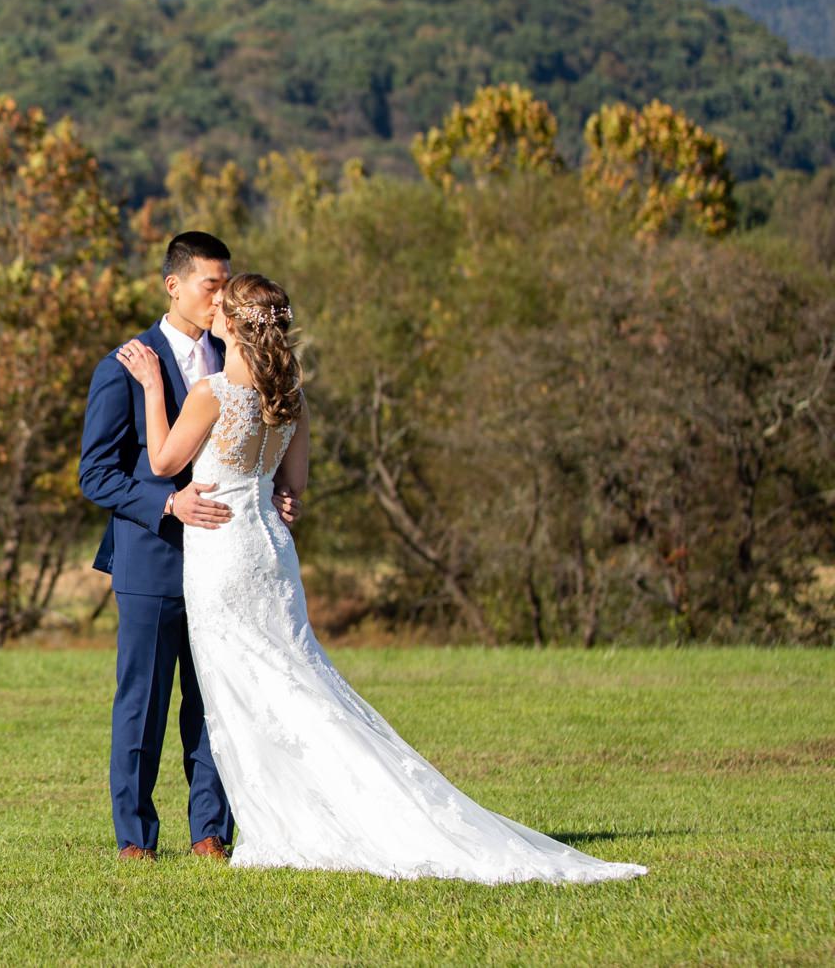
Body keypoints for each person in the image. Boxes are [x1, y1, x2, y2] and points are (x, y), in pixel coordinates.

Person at [110, 271, 648, 883]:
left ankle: (290, 820)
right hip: (270, 552)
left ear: (232, 324)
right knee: (291, 678)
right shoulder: (291, 397)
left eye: (222, 307)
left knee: (250, 688)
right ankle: (283, 816)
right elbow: (295, 487)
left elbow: (162, 461)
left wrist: (154, 388)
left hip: (224, 552)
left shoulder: (210, 392)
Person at [78, 231, 297, 862]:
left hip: (228, 564)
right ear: (173, 285)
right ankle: (135, 841)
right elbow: (96, 474)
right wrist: (167, 503)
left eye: (227, 286)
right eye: (210, 285)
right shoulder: (124, 365)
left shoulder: (238, 361)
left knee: (215, 703)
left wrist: (277, 494)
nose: (220, 298)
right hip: (152, 561)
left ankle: (211, 834)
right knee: (142, 706)